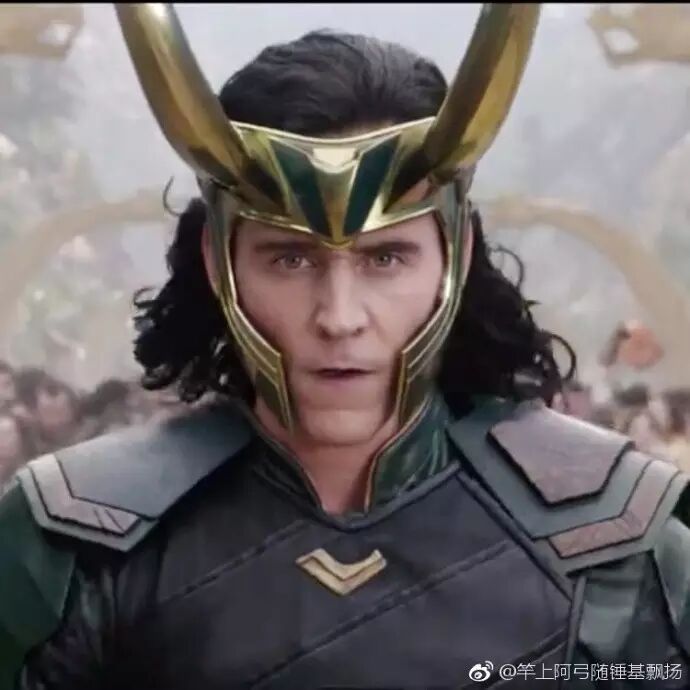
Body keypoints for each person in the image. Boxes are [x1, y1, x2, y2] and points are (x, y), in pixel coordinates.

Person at [3, 5, 690, 688]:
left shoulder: (611, 539)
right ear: (220, 262)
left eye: (385, 258)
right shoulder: (75, 545)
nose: (339, 317)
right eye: (290, 259)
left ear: (455, 254)